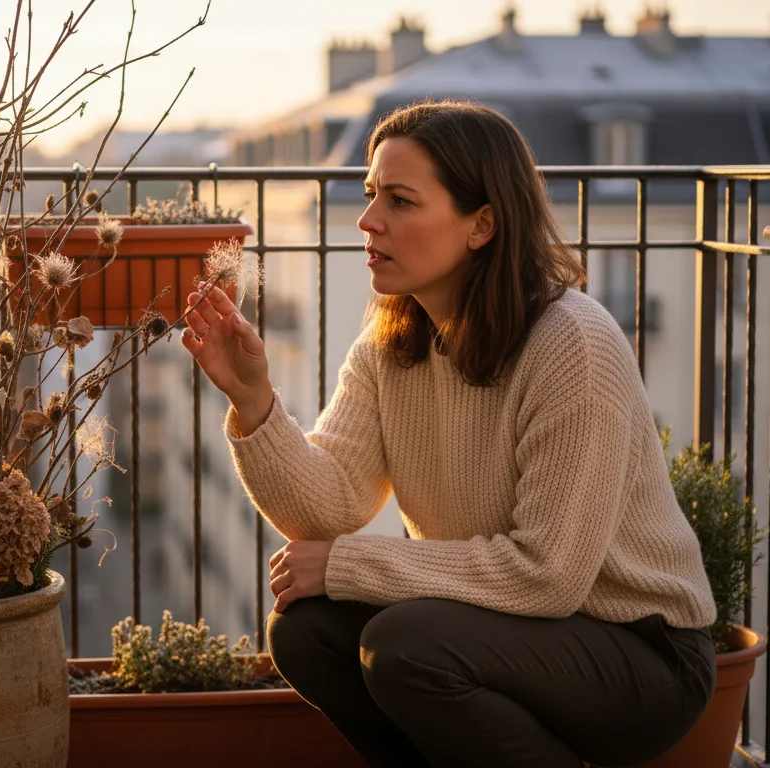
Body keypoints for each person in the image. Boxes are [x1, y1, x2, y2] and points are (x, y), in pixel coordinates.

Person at [179, 100, 717, 768]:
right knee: (307, 632)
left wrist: (350, 566)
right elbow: (334, 504)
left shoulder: (572, 344)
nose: (367, 220)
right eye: (371, 194)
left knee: (408, 646)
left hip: (639, 652)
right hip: (504, 628)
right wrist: (255, 401)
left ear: (482, 225)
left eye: (401, 201)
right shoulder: (391, 340)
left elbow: (548, 575)